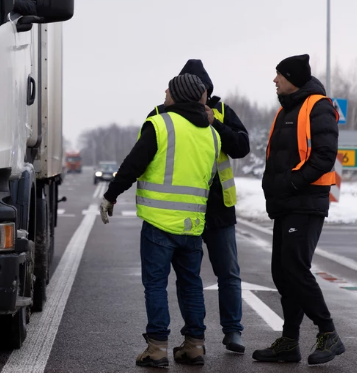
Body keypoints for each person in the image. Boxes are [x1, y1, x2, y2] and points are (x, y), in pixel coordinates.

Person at [100, 74, 220, 368]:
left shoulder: (161, 125)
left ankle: (157, 349)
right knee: (191, 285)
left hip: (158, 223)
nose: (165, 93)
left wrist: (111, 195)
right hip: (192, 225)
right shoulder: (213, 135)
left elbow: (133, 165)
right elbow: (209, 179)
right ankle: (194, 346)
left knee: (155, 285)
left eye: (169, 89)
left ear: (178, 95)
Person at [146, 60, 250, 353]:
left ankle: (233, 331)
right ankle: (191, 339)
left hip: (217, 209)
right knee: (186, 278)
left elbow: (242, 146)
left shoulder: (223, 111)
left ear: (209, 91)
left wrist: (215, 123)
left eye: (204, 89)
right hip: (180, 210)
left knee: (228, 272)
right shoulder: (161, 114)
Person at [253, 54, 345, 366]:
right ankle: (289, 342)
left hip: (305, 203)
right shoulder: (286, 111)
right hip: (286, 204)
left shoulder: (318, 106)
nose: (275, 80)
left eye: (279, 75)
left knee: (294, 267)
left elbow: (324, 156)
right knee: (283, 271)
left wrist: (292, 184)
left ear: (294, 77)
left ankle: (328, 333)